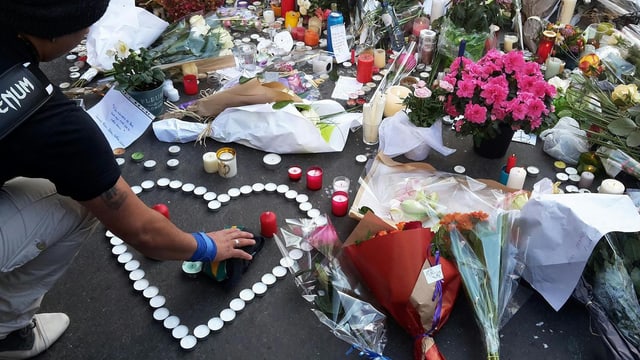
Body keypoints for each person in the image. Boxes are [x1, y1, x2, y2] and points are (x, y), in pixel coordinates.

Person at [0, 1, 255, 359]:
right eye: (84, 26)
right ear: (56, 32)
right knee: (78, 205)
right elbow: (143, 233)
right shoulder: (50, 119)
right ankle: (7, 332)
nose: (88, 33)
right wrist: (206, 247)